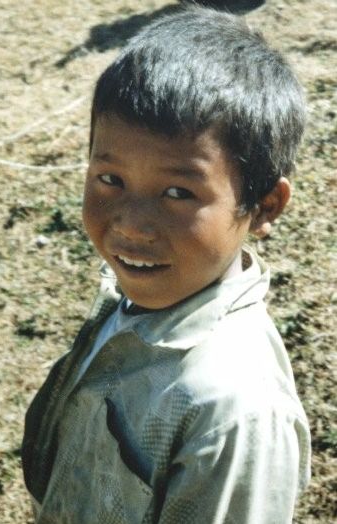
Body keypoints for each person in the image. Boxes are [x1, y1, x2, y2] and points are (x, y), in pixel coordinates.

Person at [22, 6, 310, 523]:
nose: (131, 224)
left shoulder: (234, 412)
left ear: (263, 206)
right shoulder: (136, 298)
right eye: (110, 180)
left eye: (178, 192)